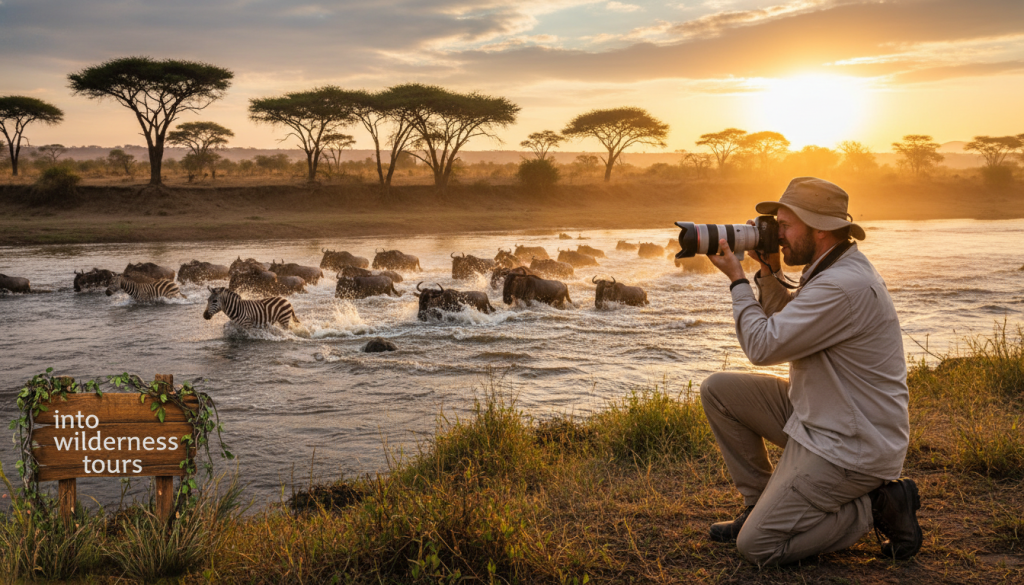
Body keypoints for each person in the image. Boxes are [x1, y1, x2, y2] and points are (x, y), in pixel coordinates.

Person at [700, 177, 922, 565]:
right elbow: (787, 321)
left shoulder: (840, 286)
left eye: (783, 225)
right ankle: (758, 503)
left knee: (756, 546)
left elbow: (764, 345)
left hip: (852, 444)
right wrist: (767, 271)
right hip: (824, 413)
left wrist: (738, 280)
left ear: (818, 228)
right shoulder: (832, 266)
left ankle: (876, 505)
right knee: (719, 390)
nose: (776, 234)